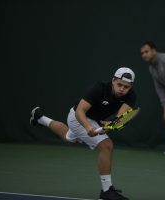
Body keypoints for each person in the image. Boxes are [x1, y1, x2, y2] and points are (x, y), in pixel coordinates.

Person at [30, 67, 136, 200]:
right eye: (119, 84)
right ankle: (106, 191)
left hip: (95, 120)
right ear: (113, 80)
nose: (122, 89)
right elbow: (80, 110)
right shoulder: (99, 88)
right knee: (107, 146)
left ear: (130, 87)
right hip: (78, 117)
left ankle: (40, 118)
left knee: (69, 138)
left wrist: (108, 126)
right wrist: (88, 127)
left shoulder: (131, 96)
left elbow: (119, 119)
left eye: (126, 87)